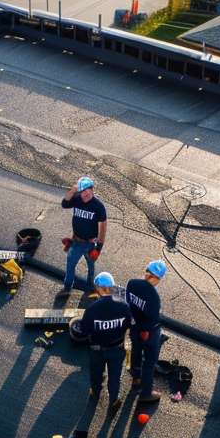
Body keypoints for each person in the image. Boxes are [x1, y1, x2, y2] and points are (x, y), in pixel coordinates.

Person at [83, 271, 131, 411]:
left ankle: (96, 392)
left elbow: (84, 331)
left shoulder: (92, 309)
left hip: (97, 350)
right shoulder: (124, 306)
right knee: (115, 376)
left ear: (99, 288)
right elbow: (129, 325)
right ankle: (114, 400)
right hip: (118, 347)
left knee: (96, 373)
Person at [125, 260, 166, 405]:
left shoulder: (132, 283)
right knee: (149, 362)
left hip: (134, 326)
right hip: (148, 333)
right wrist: (146, 332)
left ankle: (136, 378)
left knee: (136, 351)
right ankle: (146, 393)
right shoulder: (154, 298)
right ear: (158, 278)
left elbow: (128, 303)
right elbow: (152, 320)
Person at [60, 176, 107, 296]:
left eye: (87, 190)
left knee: (91, 266)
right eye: (82, 191)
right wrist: (73, 189)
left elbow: (103, 228)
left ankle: (90, 287)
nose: (84, 194)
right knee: (70, 264)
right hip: (76, 242)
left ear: (92, 189)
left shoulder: (98, 206)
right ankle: (67, 288)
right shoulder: (77, 199)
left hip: (90, 243)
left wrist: (98, 248)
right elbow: (64, 204)